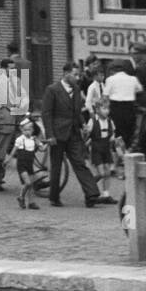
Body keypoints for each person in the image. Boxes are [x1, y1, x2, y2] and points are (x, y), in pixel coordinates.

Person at [39, 63, 109, 208]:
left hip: (73, 133)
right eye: (75, 74)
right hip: (58, 134)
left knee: (79, 162)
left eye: (78, 75)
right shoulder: (52, 90)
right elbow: (46, 114)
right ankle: (54, 196)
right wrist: (50, 134)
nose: (77, 78)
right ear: (66, 74)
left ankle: (91, 195)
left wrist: (83, 124)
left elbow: (77, 111)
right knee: (56, 166)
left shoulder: (76, 89)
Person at [103, 58, 143, 151]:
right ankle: (126, 150)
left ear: (113, 70)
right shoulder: (133, 79)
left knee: (117, 130)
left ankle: (117, 151)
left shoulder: (110, 79)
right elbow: (139, 89)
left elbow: (105, 95)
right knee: (128, 130)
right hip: (129, 107)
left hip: (115, 107)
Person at [85, 97, 118, 201]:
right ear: (97, 110)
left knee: (107, 173)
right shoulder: (92, 121)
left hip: (106, 148)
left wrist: (113, 138)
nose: (107, 111)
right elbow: (87, 134)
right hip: (96, 149)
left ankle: (106, 194)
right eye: (104, 108)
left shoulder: (110, 121)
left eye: (108, 108)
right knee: (101, 173)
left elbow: (112, 133)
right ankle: (89, 188)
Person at [7, 115, 43, 208]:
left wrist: (46, 144)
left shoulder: (33, 139)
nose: (27, 132)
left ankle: (31, 202)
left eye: (29, 130)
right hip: (22, 164)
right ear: (22, 130)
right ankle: (21, 197)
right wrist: (8, 159)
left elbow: (42, 149)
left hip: (29, 164)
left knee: (31, 185)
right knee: (28, 183)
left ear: (32, 130)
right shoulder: (20, 140)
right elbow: (13, 151)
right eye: (25, 130)